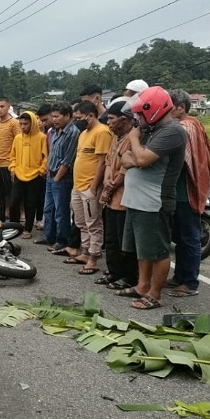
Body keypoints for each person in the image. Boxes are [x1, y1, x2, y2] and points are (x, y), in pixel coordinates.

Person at [118, 86, 186, 309]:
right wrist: (135, 155)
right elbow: (125, 158)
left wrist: (134, 141)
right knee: (143, 248)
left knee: (157, 250)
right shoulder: (150, 130)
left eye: (140, 114)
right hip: (138, 200)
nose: (137, 119)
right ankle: (141, 285)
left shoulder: (173, 131)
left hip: (154, 201)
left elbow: (143, 158)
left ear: (155, 110)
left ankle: (155, 294)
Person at [167, 89, 210, 298]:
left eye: (170, 107)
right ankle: (180, 276)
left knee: (189, 237)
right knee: (182, 237)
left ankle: (190, 282)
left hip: (186, 190)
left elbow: (182, 160)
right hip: (183, 190)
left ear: (180, 108)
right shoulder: (195, 123)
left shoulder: (184, 127)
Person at [67, 101, 111, 275]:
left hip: (90, 186)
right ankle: (85, 251)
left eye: (79, 118)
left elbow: (102, 162)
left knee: (93, 223)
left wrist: (94, 188)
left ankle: (93, 258)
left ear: (90, 116)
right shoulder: (84, 133)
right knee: (80, 222)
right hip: (78, 185)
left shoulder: (102, 132)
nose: (77, 121)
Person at [98, 99, 137, 289]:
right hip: (111, 195)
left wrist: (110, 186)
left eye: (111, 119)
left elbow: (125, 170)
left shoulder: (133, 138)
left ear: (123, 119)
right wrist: (106, 180)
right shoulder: (115, 137)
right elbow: (108, 161)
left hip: (123, 197)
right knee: (111, 237)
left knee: (124, 240)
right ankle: (113, 273)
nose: (108, 122)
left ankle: (128, 276)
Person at [38, 103, 79, 252]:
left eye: (57, 116)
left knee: (61, 211)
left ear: (68, 116)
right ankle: (50, 236)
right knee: (48, 209)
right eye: (53, 116)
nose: (54, 119)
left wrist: (57, 178)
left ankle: (62, 241)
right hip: (51, 175)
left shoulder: (73, 133)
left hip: (61, 177)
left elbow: (68, 160)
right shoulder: (55, 131)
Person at [8, 111, 48, 238]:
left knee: (31, 204)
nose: (23, 126)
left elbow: (45, 157)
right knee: (14, 202)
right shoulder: (18, 138)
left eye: (26, 124)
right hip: (19, 174)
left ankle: (27, 229)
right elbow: (12, 156)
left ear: (33, 124)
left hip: (35, 175)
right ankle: (14, 227)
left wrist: (41, 171)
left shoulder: (42, 137)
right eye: (21, 124)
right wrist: (13, 169)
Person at [0, 97, 21, 221]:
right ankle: (1, 223)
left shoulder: (14, 123)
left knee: (12, 196)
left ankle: (14, 223)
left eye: (2, 106)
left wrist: (15, 165)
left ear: (8, 107)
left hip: (7, 165)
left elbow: (19, 144)